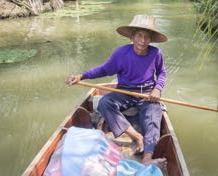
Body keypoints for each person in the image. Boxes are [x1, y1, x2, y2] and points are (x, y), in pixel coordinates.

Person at [65, 15, 168, 168]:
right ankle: (137, 136)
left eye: (147, 37)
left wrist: (157, 89)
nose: (143, 40)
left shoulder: (155, 53)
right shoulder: (121, 53)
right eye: (139, 35)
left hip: (147, 93)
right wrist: (82, 75)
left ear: (151, 39)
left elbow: (162, 73)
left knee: (154, 114)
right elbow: (104, 70)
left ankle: (147, 157)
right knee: (105, 103)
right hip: (125, 91)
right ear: (132, 36)